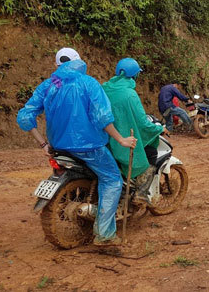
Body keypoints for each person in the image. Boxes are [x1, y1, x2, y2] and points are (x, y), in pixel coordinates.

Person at [17, 48, 137, 246]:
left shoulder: (49, 85)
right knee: (112, 179)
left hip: (59, 148)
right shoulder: (89, 83)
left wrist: (43, 143)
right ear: (79, 62)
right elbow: (102, 117)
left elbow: (25, 116)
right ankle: (105, 235)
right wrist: (121, 140)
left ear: (56, 65)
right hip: (89, 147)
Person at [103, 58, 168, 204]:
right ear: (135, 75)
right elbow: (143, 124)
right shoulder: (130, 94)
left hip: (105, 138)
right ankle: (141, 192)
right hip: (123, 140)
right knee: (151, 152)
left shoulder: (105, 88)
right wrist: (159, 128)